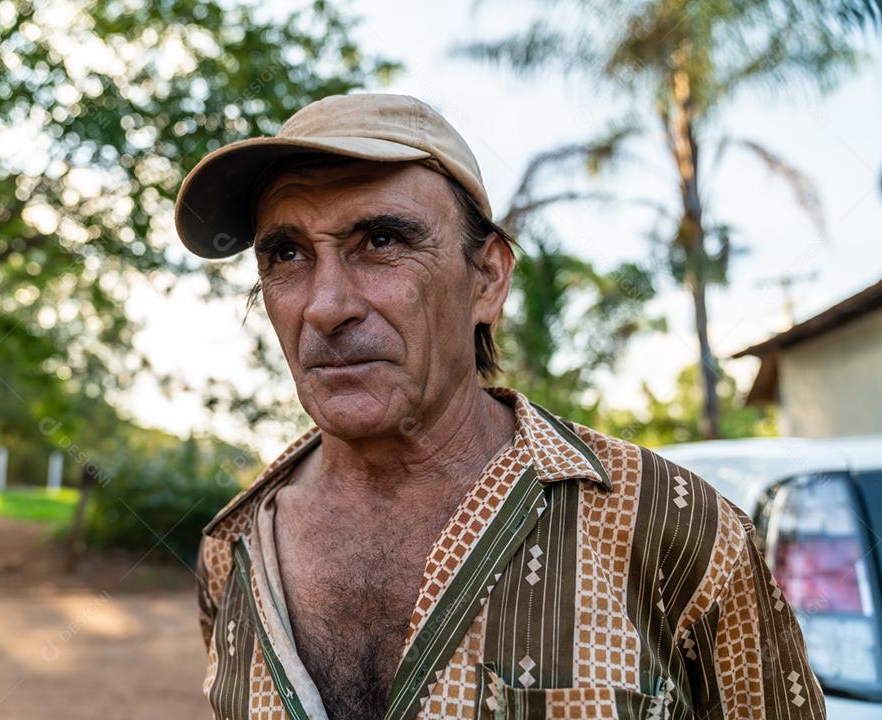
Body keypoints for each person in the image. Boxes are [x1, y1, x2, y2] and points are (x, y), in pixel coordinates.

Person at [174, 93, 824, 720]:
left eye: (381, 242)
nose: (325, 305)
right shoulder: (233, 552)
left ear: (487, 279)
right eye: (286, 255)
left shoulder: (674, 531)